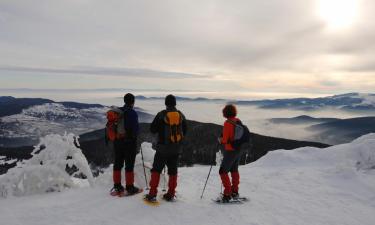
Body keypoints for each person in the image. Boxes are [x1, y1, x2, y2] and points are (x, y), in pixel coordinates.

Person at [144, 94, 187, 202]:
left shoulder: (161, 114)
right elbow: (185, 131)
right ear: (175, 103)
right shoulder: (180, 115)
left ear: (166, 103)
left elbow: (153, 129)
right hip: (176, 149)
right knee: (173, 171)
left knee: (156, 170)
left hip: (162, 149)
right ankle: (171, 194)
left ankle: (152, 194)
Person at [109, 93, 141, 196]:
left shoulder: (118, 112)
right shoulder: (132, 113)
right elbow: (135, 130)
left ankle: (117, 186)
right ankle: (130, 187)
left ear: (124, 101)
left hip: (117, 141)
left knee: (118, 163)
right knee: (129, 165)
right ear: (133, 102)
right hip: (129, 143)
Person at [218, 104, 243, 202]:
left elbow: (225, 140)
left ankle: (227, 193)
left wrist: (220, 140)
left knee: (222, 171)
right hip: (238, 149)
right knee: (234, 170)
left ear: (225, 113)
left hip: (231, 150)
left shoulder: (227, 123)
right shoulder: (238, 121)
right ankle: (235, 191)